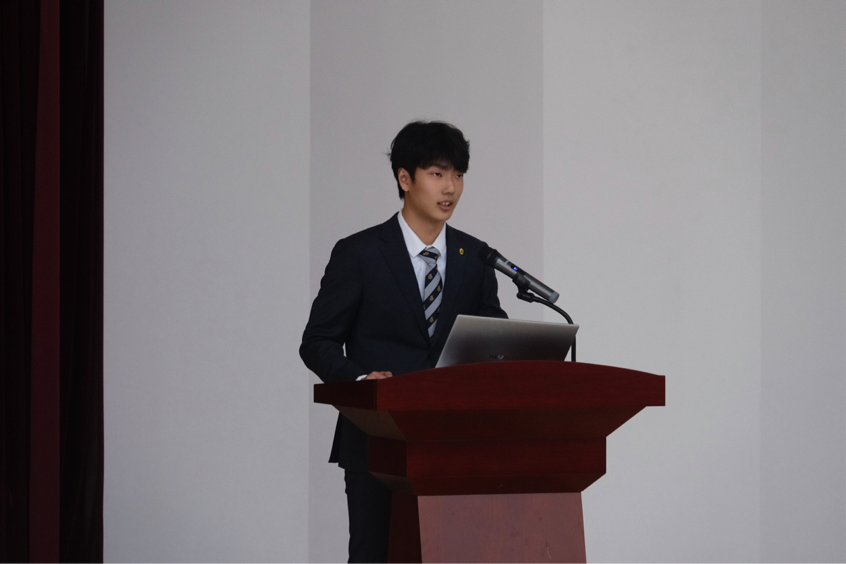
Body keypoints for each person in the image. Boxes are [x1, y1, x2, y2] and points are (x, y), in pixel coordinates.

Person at [300, 120, 507, 563]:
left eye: (458, 175)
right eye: (437, 173)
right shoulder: (360, 253)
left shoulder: (476, 257)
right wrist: (362, 382)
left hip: (454, 442)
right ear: (405, 178)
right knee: (376, 555)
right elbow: (316, 341)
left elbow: (494, 337)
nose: (450, 187)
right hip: (377, 439)